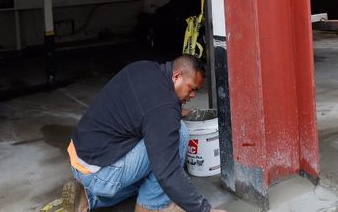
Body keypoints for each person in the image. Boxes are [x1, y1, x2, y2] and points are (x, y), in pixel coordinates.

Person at [62, 55, 226, 212]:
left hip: (80, 159)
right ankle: (152, 206)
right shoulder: (164, 109)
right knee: (178, 135)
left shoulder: (143, 68)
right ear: (176, 76)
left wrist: (178, 112)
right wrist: (203, 209)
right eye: (191, 89)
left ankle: (88, 197)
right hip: (100, 174)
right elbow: (167, 172)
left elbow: (144, 105)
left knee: (148, 182)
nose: (193, 95)